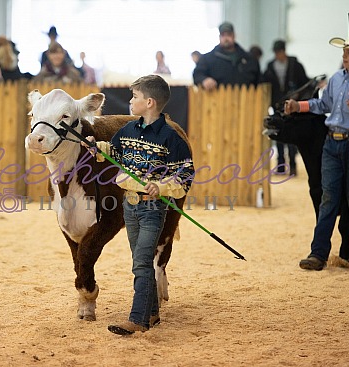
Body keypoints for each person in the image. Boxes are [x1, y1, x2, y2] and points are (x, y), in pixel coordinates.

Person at [81, 75, 194, 335]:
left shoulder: (171, 138)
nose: (130, 102)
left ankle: (138, 319)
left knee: (141, 262)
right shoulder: (130, 130)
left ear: (150, 102)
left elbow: (185, 176)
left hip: (153, 208)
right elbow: (115, 150)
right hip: (128, 206)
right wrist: (97, 148)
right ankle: (152, 313)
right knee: (139, 259)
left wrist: (162, 187)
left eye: (135, 97)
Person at [284, 32, 349, 271]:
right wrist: (298, 106)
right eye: (344, 52)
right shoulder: (337, 79)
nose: (345, 56)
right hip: (332, 143)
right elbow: (324, 105)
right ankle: (318, 253)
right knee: (328, 198)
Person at [263, 40, 310, 176]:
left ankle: (293, 166)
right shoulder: (270, 66)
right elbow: (266, 83)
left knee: (291, 137)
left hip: (292, 104)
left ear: (284, 51)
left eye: (280, 52)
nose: (278, 55)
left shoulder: (295, 65)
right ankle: (281, 166)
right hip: (277, 105)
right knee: (278, 134)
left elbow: (304, 82)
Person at [193, 22, 260, 89]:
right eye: (223, 35)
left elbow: (259, 80)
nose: (226, 38)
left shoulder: (249, 59)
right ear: (219, 37)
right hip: (217, 98)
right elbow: (197, 74)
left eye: (229, 35)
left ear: (234, 36)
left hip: (245, 98)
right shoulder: (208, 59)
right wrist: (204, 80)